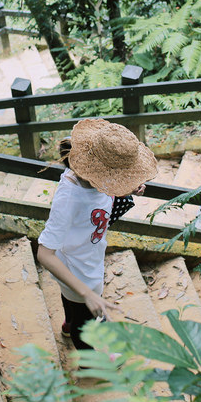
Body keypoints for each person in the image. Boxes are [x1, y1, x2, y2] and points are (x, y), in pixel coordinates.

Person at [36, 118, 158, 350]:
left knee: (74, 306)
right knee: (86, 325)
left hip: (86, 253)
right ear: (99, 173)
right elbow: (44, 254)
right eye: (121, 176)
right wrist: (87, 293)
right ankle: (90, 365)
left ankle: (69, 324)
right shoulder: (69, 198)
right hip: (77, 269)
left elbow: (106, 198)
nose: (121, 181)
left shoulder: (98, 182)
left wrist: (127, 188)